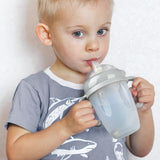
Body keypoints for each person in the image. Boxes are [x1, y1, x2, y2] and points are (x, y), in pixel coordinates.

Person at [6, 0, 155, 160]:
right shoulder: (34, 89)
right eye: (78, 33)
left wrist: (143, 110)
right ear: (47, 34)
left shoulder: (113, 84)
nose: (94, 45)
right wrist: (65, 128)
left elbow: (140, 150)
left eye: (101, 31)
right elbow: (16, 154)